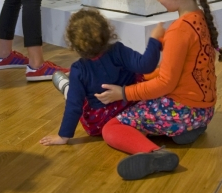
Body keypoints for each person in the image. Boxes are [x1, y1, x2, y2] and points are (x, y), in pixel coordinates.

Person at [96, 0, 222, 180]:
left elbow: (166, 84)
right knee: (146, 95)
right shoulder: (199, 19)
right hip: (204, 112)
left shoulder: (179, 30)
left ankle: (154, 154)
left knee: (112, 128)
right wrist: (146, 76)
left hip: (183, 111)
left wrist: (123, 93)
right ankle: (186, 131)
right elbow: (179, 72)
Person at [39, 8, 162, 145]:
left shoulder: (78, 69)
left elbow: (74, 106)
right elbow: (146, 65)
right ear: (107, 32)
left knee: (78, 96)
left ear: (74, 44)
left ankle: (68, 87)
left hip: (101, 121)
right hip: (131, 106)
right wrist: (154, 40)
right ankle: (68, 87)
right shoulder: (118, 50)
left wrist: (63, 136)